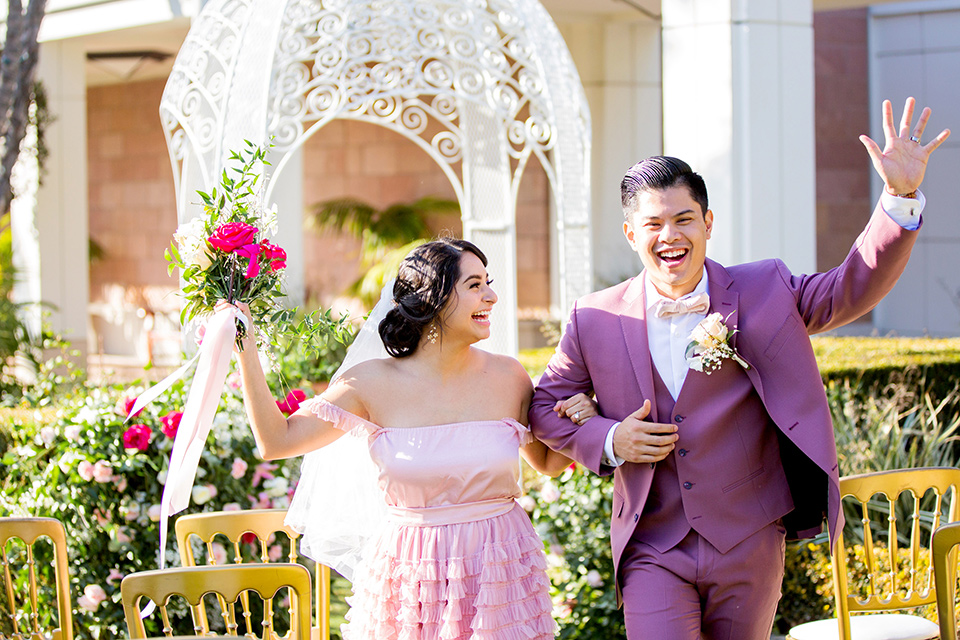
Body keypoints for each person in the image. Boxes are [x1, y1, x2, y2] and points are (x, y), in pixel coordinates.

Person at [528, 97, 951, 639]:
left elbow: (851, 288)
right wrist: (610, 439)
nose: (670, 236)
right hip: (653, 545)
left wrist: (899, 196)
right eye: (653, 224)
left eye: (684, 219)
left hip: (749, 537)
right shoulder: (593, 317)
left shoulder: (764, 288)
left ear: (708, 223)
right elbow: (543, 405)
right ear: (632, 235)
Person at [220, 238, 584, 640]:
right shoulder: (370, 382)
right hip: (411, 574)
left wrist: (586, 421)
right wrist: (245, 346)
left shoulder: (509, 376)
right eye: (475, 285)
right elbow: (276, 441)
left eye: (488, 282)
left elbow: (548, 463)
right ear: (433, 298)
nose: (492, 296)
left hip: (499, 569)